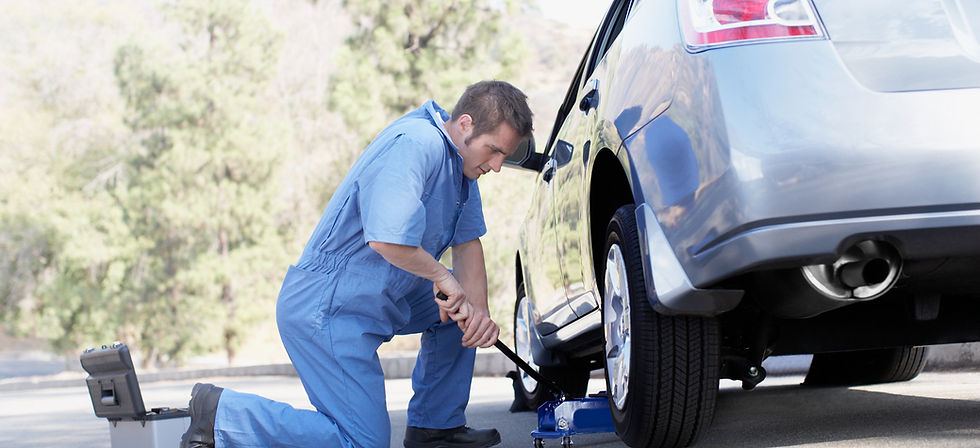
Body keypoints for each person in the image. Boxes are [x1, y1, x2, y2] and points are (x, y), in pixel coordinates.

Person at [179, 80, 534, 448]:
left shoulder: (462, 165)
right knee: (362, 443)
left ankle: (435, 429)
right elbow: (386, 239)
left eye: (503, 157)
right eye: (493, 152)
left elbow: (468, 245)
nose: (496, 166)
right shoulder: (417, 143)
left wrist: (479, 315)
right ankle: (222, 414)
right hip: (329, 308)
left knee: (460, 314)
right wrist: (443, 277)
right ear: (464, 124)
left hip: (379, 298)